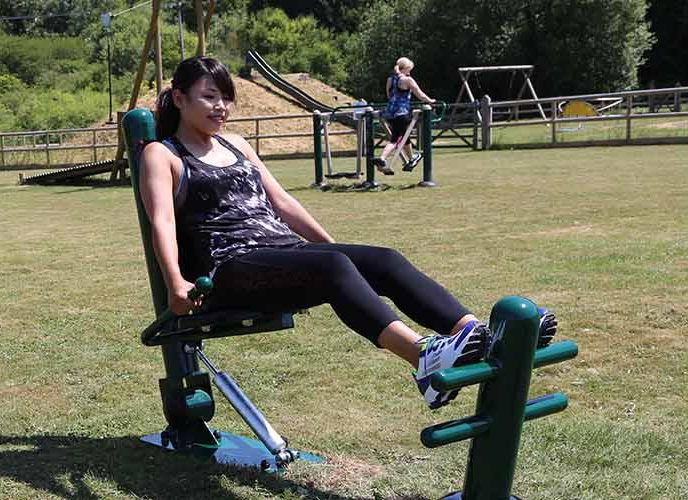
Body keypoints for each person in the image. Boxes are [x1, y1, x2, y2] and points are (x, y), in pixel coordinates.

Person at [140, 57, 540, 410]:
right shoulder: (163, 154)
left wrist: (335, 249)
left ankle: (476, 334)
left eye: (226, 98)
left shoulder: (238, 144)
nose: (221, 107)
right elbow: (162, 221)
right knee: (335, 265)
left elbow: (283, 204)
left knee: (383, 259)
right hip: (228, 268)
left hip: (280, 252)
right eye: (209, 97)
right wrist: (176, 283)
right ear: (179, 99)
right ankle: (423, 359)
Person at [376, 57, 436, 175]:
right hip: (401, 113)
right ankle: (382, 158)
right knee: (395, 140)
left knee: (404, 137)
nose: (410, 72)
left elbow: (389, 96)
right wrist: (430, 101)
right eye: (410, 69)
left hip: (390, 113)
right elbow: (420, 94)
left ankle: (411, 158)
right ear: (406, 68)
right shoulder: (407, 80)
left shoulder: (390, 80)